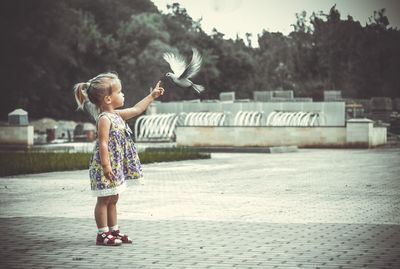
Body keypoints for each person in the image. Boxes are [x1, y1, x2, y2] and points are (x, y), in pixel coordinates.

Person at [73, 72, 164, 246]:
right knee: (104, 199)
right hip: (105, 166)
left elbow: (137, 109)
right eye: (119, 92)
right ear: (108, 99)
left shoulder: (117, 115)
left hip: (115, 166)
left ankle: (113, 230)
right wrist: (106, 166)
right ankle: (103, 233)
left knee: (113, 198)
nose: (123, 94)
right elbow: (103, 144)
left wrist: (151, 96)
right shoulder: (105, 119)